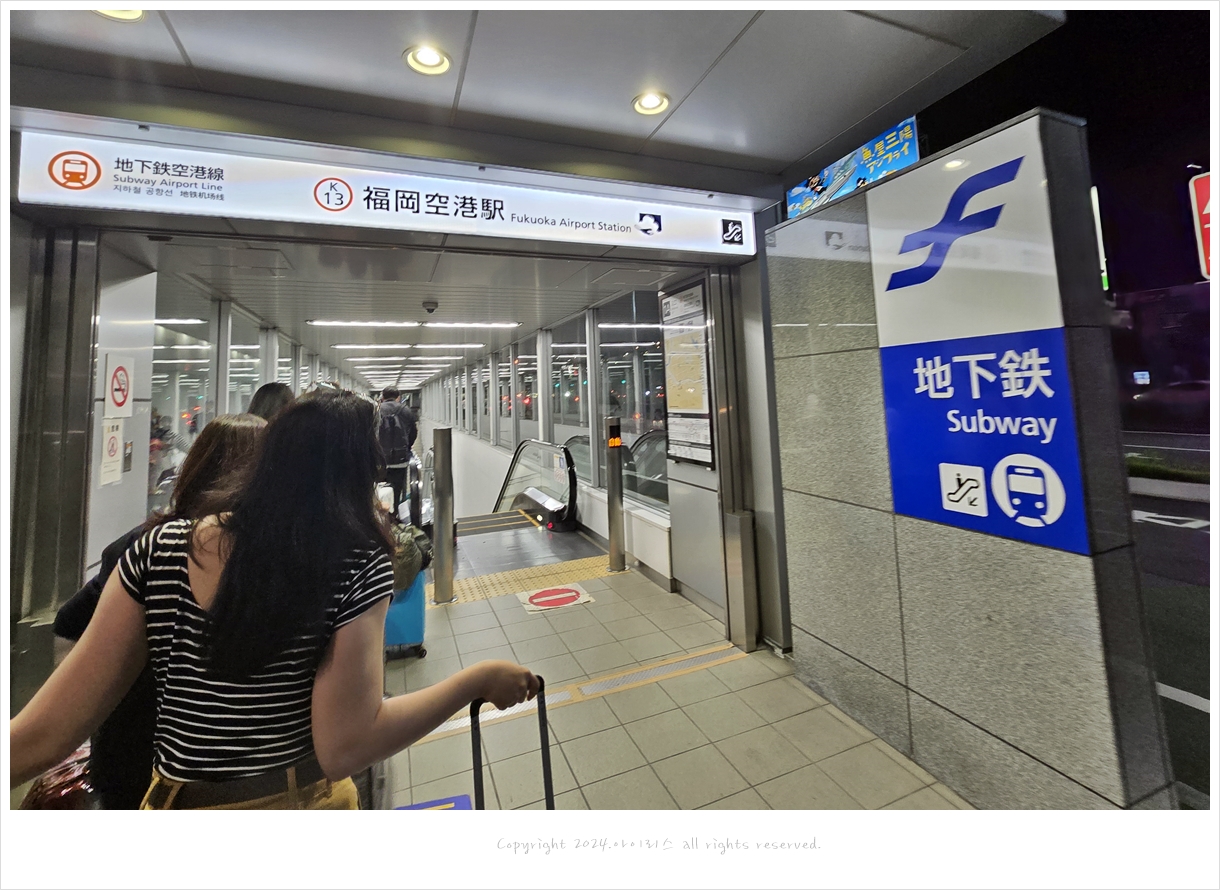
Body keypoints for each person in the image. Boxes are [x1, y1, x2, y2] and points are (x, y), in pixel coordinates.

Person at [11, 391, 536, 809]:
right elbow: (346, 745)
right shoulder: (354, 562)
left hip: (172, 805)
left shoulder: (159, 548)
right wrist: (476, 680)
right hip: (296, 804)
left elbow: (45, 734)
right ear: (359, 471)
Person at [50, 413, 268, 809]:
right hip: (195, 769)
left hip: (131, 755)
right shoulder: (165, 549)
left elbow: (69, 622)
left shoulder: (141, 542)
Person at [377, 387, 417, 520]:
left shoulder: (376, 410)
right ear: (398, 397)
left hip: (381, 459)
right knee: (397, 490)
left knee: (380, 491)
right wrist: (407, 447)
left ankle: (382, 519)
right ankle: (395, 517)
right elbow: (413, 433)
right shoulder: (406, 410)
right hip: (400, 459)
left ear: (382, 397)